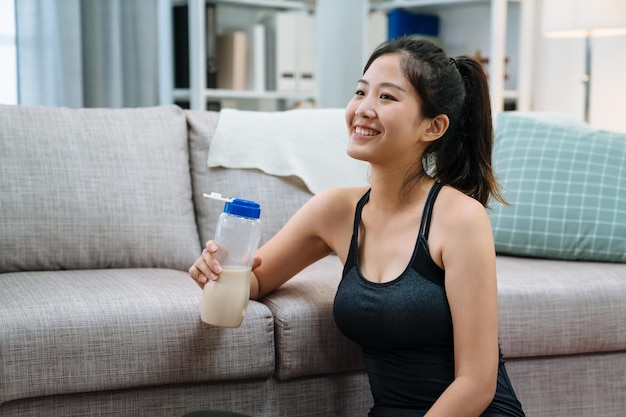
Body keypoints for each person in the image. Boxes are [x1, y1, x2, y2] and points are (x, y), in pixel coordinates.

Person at [189, 37, 525, 417]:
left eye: (387, 98)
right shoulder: (334, 210)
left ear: (433, 127)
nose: (364, 109)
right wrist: (220, 268)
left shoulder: (460, 218)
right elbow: (256, 279)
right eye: (360, 92)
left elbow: (476, 384)